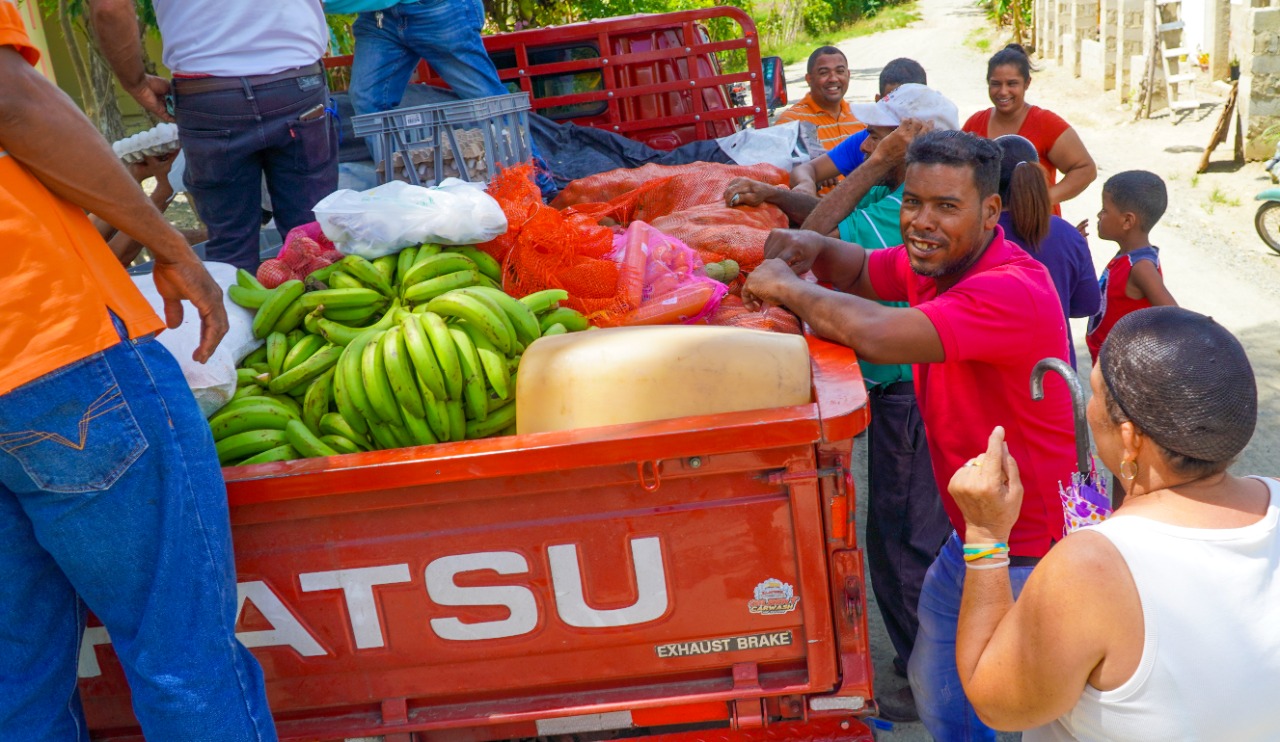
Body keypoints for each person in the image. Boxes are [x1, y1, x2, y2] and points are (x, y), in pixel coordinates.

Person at [741, 130, 1078, 740]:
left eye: (946, 206)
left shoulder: (1009, 288)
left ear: (989, 213)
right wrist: (812, 242)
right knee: (941, 684)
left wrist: (788, 286)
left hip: (1027, 547)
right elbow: (865, 271)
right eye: (913, 202)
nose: (922, 222)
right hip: (976, 530)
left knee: (987, 705)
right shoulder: (940, 259)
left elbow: (878, 334)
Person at [0, 5, 276, 740]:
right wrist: (173, 247)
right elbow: (8, 97)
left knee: (14, 683)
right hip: (46, 346)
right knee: (180, 656)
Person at [950, 306, 1274, 741]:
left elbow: (995, 703)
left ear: (1129, 436)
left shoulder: (1090, 567)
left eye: (1096, 392)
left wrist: (986, 537)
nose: (1088, 407)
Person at [89, 0, 339, 273]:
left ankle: (232, 312)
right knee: (313, 241)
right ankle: (325, 308)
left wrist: (134, 83)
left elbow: (110, 7)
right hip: (297, 85)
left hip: (209, 96)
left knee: (231, 252)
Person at [722, 84, 959, 234]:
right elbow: (832, 211)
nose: (864, 146)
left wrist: (880, 161)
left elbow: (810, 236)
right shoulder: (885, 192)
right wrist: (772, 193)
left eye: (876, 139)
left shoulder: (903, 207)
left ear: (908, 145)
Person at [993, 135, 1099, 368]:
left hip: (995, 374)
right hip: (1055, 373)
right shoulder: (1067, 235)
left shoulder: (978, 234)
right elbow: (1088, 304)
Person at [962, 44, 1096, 212]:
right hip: (988, 232)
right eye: (996, 84)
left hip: (1037, 233)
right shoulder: (974, 124)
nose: (1003, 91)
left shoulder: (1045, 123)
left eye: (1012, 84)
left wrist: (1043, 199)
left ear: (1027, 83)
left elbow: (1085, 169)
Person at [789, 58, 928, 196]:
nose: (902, 116)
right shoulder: (868, 141)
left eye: (910, 105)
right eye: (891, 105)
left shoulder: (941, 149)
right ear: (878, 101)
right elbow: (806, 169)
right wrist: (806, 184)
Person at [1085, 170, 1176, 363]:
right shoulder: (1125, 257)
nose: (1099, 215)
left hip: (1121, 372)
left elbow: (1175, 315)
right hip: (1107, 366)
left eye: (1105, 210)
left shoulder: (1141, 267)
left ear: (1127, 221)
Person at [774, 46, 862, 193]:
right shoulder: (791, 122)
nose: (833, 79)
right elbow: (777, 177)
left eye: (840, 71)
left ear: (848, 74)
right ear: (809, 79)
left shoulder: (862, 117)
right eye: (824, 73)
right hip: (819, 211)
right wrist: (814, 174)